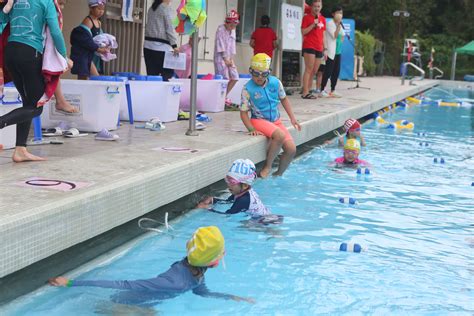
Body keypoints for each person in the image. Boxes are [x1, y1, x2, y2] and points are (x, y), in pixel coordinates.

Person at [49, 226, 255, 306]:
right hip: (121, 306)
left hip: (142, 306)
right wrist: (70, 283)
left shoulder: (195, 270)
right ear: (213, 261)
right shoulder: (174, 281)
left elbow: (201, 293)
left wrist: (230, 297)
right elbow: (124, 285)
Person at [0, 0, 68, 162]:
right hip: (29, 53)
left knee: (27, 102)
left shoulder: (16, 1)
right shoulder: (46, 2)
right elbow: (56, 32)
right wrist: (64, 56)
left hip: (10, 53)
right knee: (36, 106)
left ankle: (20, 150)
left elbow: (3, 18)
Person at [240, 53, 301, 178]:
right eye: (256, 74)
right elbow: (243, 112)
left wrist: (292, 118)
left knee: (291, 150)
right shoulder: (247, 89)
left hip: (275, 121)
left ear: (269, 72)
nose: (260, 77)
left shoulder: (275, 83)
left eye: (264, 74)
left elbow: (284, 99)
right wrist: (251, 128)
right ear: (251, 71)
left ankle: (278, 174)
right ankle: (267, 166)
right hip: (258, 120)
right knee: (279, 135)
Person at [197, 159, 283, 225]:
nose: (228, 185)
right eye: (227, 180)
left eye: (232, 182)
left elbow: (228, 214)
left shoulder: (244, 200)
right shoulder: (240, 192)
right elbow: (228, 201)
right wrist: (213, 200)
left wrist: (207, 209)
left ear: (245, 185)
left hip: (263, 221)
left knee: (244, 225)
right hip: (265, 217)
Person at [70, 0, 109, 80]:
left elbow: (100, 37)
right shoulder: (88, 21)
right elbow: (85, 40)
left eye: (103, 9)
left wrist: (106, 44)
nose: (101, 11)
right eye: (99, 9)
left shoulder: (98, 22)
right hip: (87, 54)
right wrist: (99, 49)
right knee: (91, 78)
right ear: (91, 8)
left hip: (94, 53)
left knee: (89, 78)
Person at [143, 0, 178, 81]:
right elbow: (170, 28)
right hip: (162, 48)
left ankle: (152, 93)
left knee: (152, 77)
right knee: (167, 76)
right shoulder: (166, 8)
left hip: (148, 47)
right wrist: (174, 45)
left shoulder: (151, 8)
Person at [300, 0, 326, 99]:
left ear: (321, 7)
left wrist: (325, 48)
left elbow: (323, 35)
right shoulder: (306, 18)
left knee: (315, 70)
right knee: (309, 69)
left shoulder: (323, 19)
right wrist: (313, 25)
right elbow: (303, 32)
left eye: (318, 6)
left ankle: (309, 89)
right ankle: (305, 92)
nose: (316, 8)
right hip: (309, 46)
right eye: (315, 6)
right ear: (311, 7)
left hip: (319, 47)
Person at [214, 10, 239, 105]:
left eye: (234, 25)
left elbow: (232, 45)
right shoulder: (221, 29)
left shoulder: (233, 30)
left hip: (229, 58)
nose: (233, 27)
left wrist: (231, 58)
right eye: (231, 25)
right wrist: (225, 59)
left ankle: (223, 96)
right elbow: (220, 44)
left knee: (235, 77)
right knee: (224, 79)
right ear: (227, 22)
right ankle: (220, 99)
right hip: (220, 58)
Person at [320, 5, 344, 98]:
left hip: (338, 51)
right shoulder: (330, 24)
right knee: (328, 71)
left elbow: (342, 35)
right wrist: (338, 25)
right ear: (333, 14)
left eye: (341, 13)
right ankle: (322, 90)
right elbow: (334, 35)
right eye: (338, 13)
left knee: (336, 72)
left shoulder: (340, 24)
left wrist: (339, 25)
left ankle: (333, 90)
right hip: (331, 51)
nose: (340, 15)